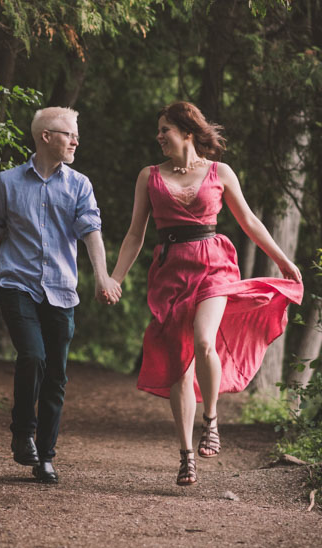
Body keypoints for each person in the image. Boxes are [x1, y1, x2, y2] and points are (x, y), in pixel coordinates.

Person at [108, 101, 303, 487]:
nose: (159, 137)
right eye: (159, 130)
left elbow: (248, 220)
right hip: (170, 270)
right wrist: (114, 278)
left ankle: (211, 420)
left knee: (203, 339)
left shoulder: (220, 173)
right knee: (178, 362)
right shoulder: (149, 176)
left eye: (165, 129)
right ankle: (186, 455)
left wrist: (282, 260)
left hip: (214, 263)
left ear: (188, 132)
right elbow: (135, 234)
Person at [0, 106, 121, 484]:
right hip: (16, 284)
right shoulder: (7, 182)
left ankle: (45, 456)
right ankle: (23, 432)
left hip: (61, 289)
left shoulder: (79, 185)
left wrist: (102, 276)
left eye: (76, 135)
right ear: (46, 137)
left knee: (56, 376)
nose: (76, 141)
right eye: (69, 134)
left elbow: (91, 232)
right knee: (33, 356)